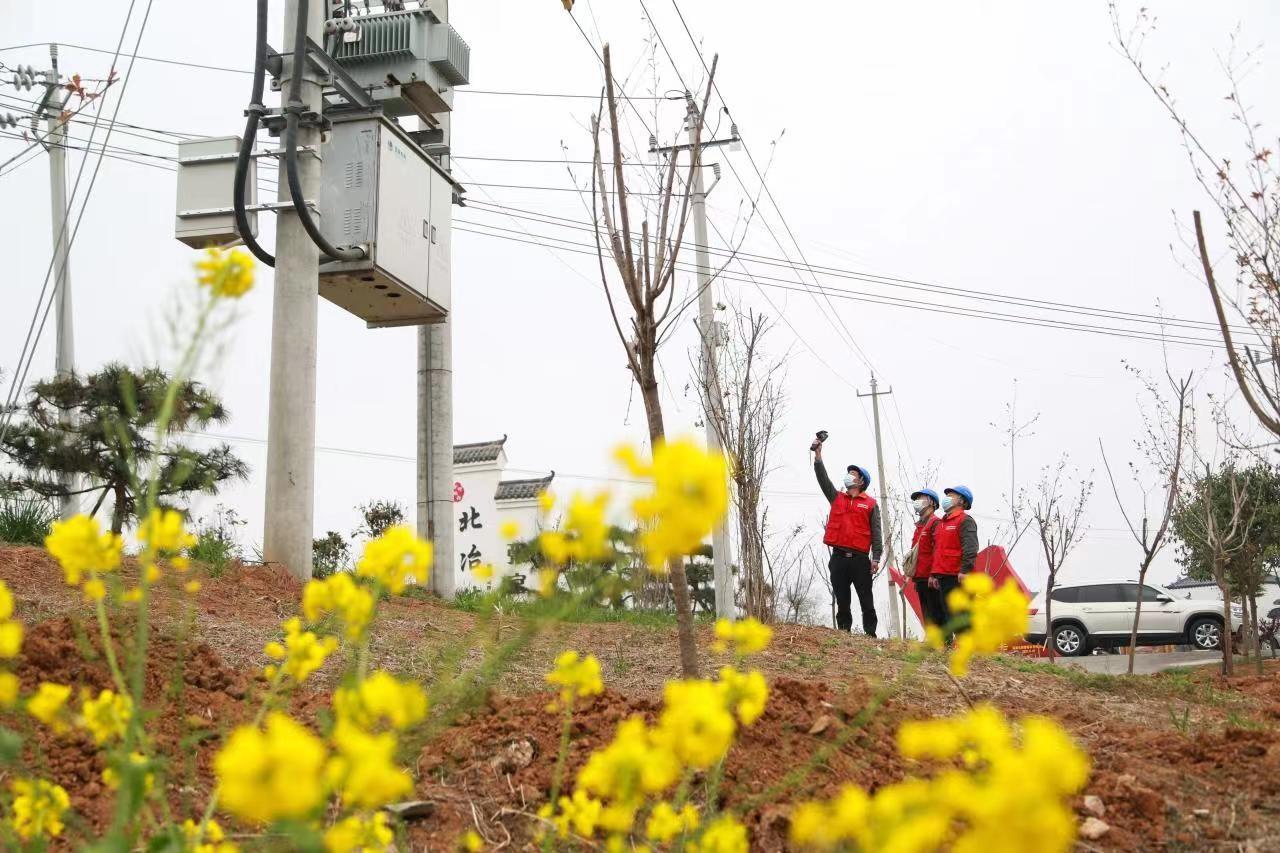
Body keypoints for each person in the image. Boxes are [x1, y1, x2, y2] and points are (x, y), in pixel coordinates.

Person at [812, 437, 883, 636]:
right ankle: (844, 632)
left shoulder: (870, 504)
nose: (849, 476)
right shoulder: (837, 498)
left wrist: (875, 558)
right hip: (839, 558)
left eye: (853, 474)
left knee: (866, 600)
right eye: (849, 473)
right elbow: (823, 480)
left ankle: (870, 634)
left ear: (861, 481)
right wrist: (818, 457)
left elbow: (877, 533)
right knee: (842, 600)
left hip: (860, 560)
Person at [932, 485, 978, 632]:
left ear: (961, 501)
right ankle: (959, 647)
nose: (946, 498)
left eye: (951, 495)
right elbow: (937, 551)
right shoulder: (941, 524)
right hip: (943, 575)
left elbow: (970, 548)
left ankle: (971, 649)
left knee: (961, 615)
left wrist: (965, 570)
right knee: (950, 615)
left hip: (958, 576)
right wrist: (934, 574)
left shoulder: (965, 520)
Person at [909, 488, 945, 629]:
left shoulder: (935, 523)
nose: (917, 502)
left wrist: (934, 574)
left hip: (931, 576)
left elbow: (938, 549)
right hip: (920, 575)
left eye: (921, 498)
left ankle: (944, 642)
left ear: (931, 503)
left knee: (936, 610)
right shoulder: (919, 526)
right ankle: (932, 639)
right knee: (926, 612)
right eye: (916, 499)